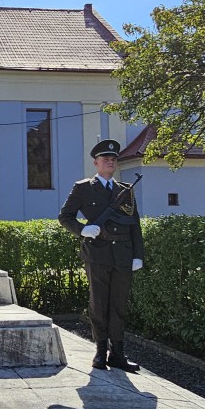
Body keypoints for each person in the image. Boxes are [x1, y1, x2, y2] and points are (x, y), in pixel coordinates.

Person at [58, 139, 145, 373]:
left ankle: (118, 354)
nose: (111, 162)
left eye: (114, 159)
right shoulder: (84, 188)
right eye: (106, 159)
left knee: (119, 304)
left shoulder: (125, 189)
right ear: (96, 163)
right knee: (98, 303)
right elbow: (65, 216)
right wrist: (82, 229)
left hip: (122, 254)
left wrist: (138, 255)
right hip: (97, 253)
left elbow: (134, 223)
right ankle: (100, 351)